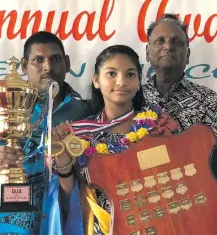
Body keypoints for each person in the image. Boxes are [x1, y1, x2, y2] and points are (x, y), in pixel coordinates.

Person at [46, 45, 180, 235]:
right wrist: (63, 157)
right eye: (111, 74)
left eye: (130, 74)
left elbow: (175, 181)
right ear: (96, 80)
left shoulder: (157, 125)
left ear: (139, 82)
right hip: (101, 229)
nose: (121, 82)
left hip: (157, 226)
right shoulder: (78, 134)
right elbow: (68, 195)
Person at [0, 31, 88, 235]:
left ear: (67, 63)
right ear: (24, 65)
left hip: (67, 225)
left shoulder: (86, 112)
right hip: (7, 227)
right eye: (38, 60)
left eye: (56, 59)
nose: (48, 67)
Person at [143, 13, 217, 186]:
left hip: (196, 197)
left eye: (177, 42)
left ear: (188, 55)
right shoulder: (131, 99)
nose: (168, 46)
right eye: (160, 40)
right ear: (147, 52)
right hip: (142, 200)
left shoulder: (210, 101)